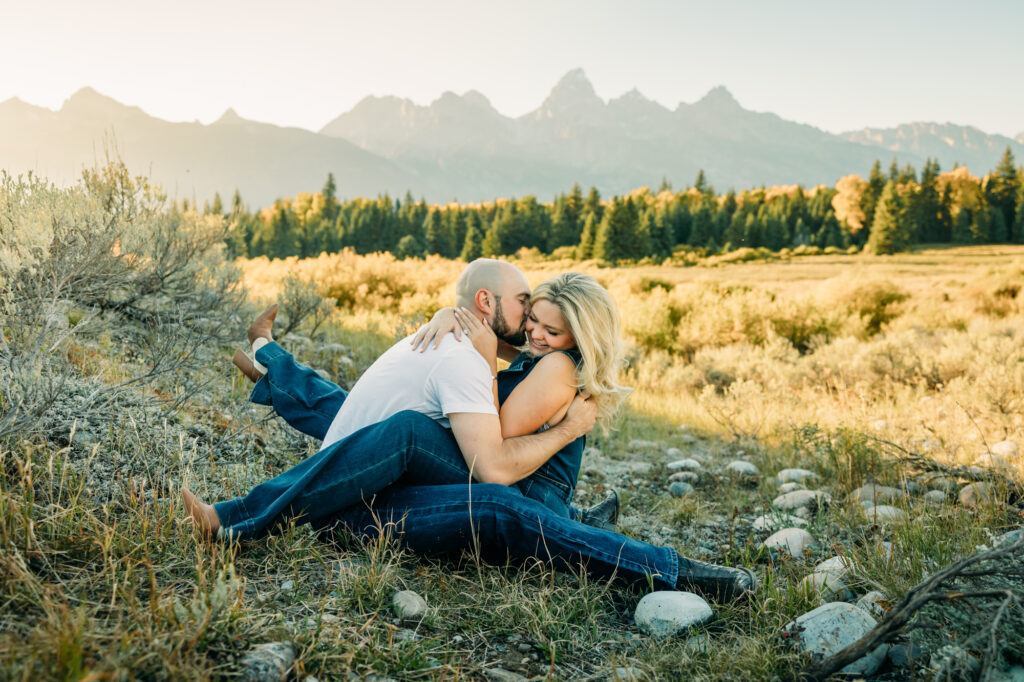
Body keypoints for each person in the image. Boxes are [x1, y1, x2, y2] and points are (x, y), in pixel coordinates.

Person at [183, 260, 756, 600]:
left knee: (410, 435)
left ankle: (679, 574)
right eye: (528, 315)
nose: (532, 328)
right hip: (420, 495)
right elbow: (473, 414)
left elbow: (497, 459)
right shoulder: (520, 353)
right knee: (372, 415)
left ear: (577, 336)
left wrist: (481, 355)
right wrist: (457, 324)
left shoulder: (551, 367)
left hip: (509, 489)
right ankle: (271, 371)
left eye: (546, 324)